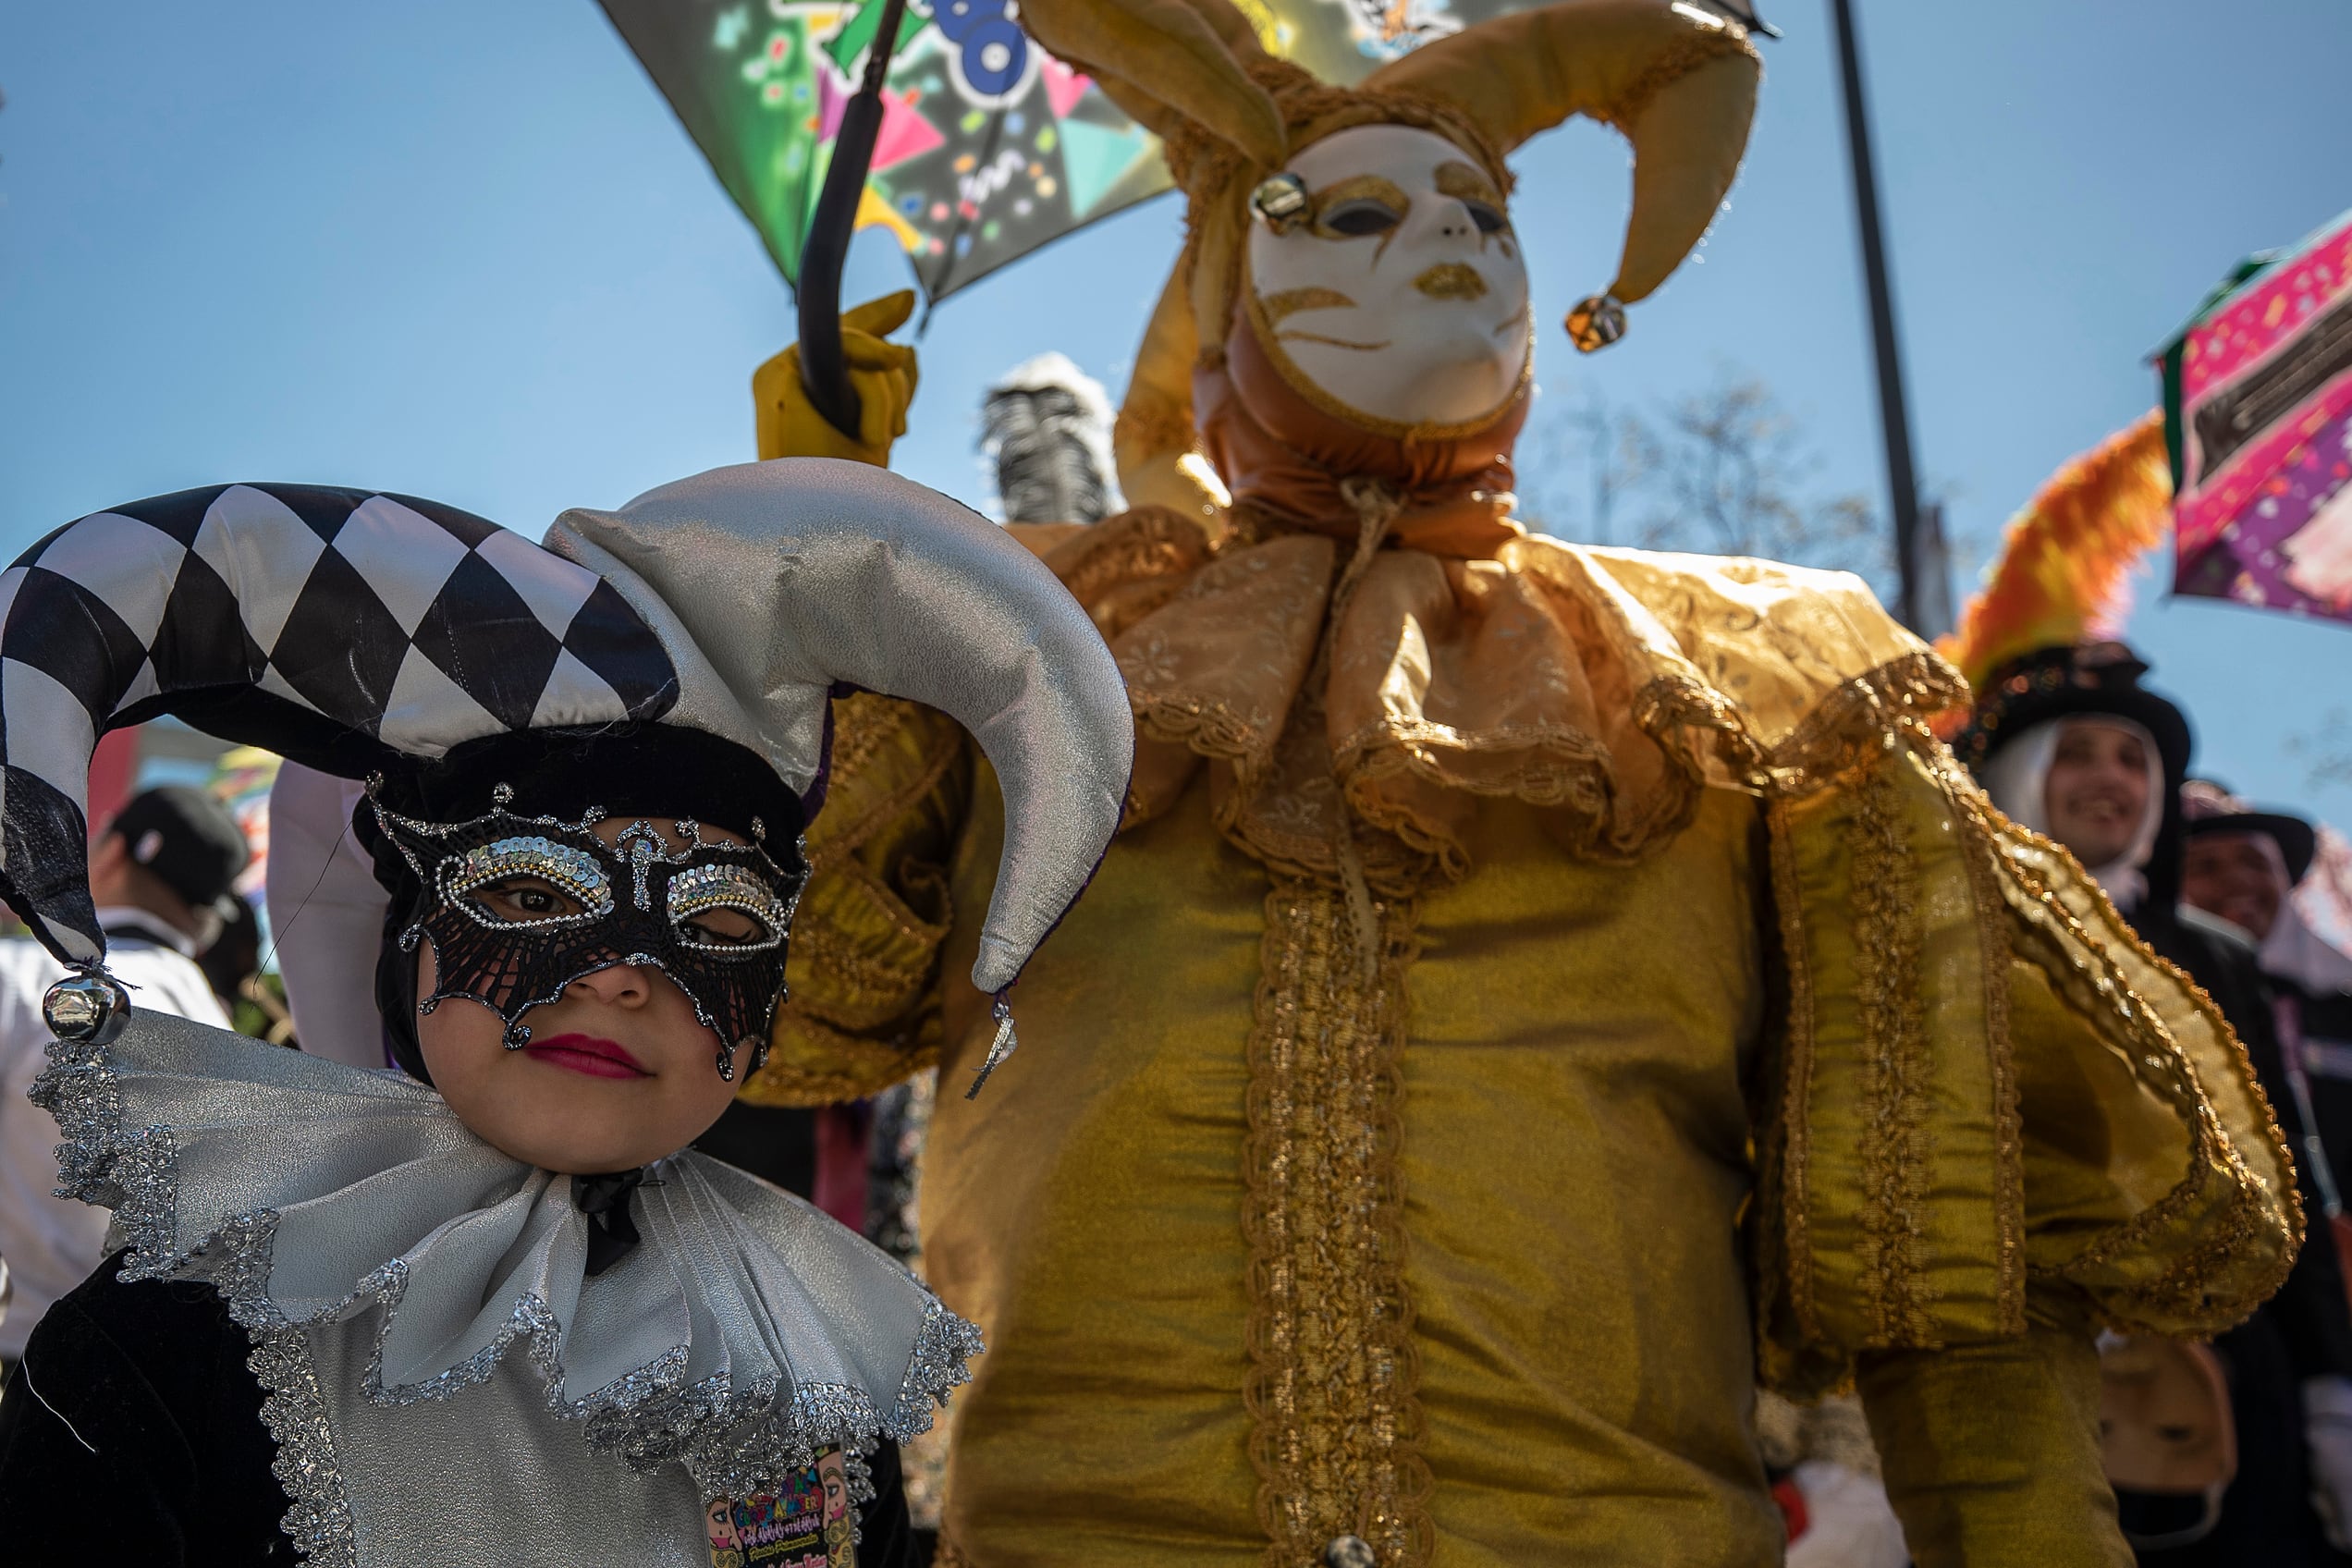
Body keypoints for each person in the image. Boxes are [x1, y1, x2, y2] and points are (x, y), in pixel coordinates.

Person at [735, 5, 2298, 1564]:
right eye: (1353, 212)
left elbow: (1945, 1254)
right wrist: (802, 576)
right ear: (1226, 298)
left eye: (1478, 213)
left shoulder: (1741, 691)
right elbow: (753, 985)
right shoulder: (1018, 648)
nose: (1437, 248)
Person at [0, 463, 1133, 1565]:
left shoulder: (816, 1361)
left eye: (719, 922)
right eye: (534, 895)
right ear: (410, 936)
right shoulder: (168, 1350)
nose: (619, 978)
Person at [1954, 642, 2352, 1564]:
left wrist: (2332, 1389)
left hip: (2230, 1379)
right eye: (2081, 751)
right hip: (2013, 1363)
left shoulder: (2214, 957)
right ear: (2022, 768)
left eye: (2134, 759)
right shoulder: (1945, 935)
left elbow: (2289, 1176)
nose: (2111, 779)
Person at [0, 783, 247, 1366]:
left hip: (17, 1352)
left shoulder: (20, 975)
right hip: (148, 1374)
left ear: (110, 851)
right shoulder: (223, 1028)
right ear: (206, 916)